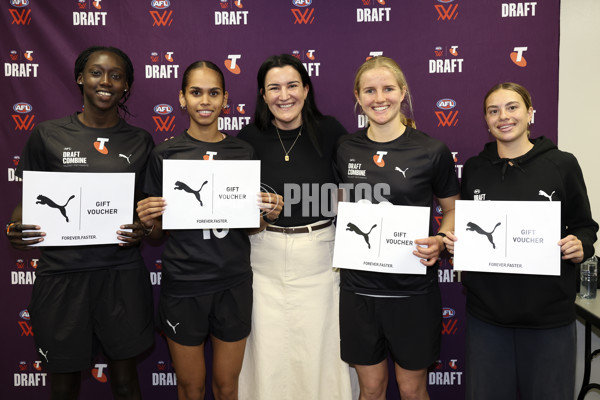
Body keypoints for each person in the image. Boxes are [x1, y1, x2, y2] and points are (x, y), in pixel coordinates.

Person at [6, 46, 155, 400]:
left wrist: (142, 227)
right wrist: (15, 229)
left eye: (116, 75)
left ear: (127, 87)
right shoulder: (46, 135)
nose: (105, 82)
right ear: (80, 78)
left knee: (124, 381)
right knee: (63, 385)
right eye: (96, 72)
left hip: (120, 275)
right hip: (62, 277)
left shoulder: (140, 141)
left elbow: (147, 213)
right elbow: (24, 207)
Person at [135, 61, 282, 400]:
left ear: (225, 100)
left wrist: (268, 213)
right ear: (182, 99)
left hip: (232, 282)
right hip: (184, 285)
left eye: (213, 93)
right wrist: (147, 222)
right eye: (196, 92)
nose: (205, 101)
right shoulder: (165, 154)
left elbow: (249, 224)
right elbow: (157, 235)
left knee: (227, 387)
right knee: (190, 387)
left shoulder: (242, 152)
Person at [442, 82, 598, 400]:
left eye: (512, 107)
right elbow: (468, 228)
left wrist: (580, 245)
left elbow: (585, 226)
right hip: (487, 318)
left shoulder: (562, 164)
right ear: (486, 121)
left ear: (530, 113)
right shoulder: (474, 169)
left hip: (549, 319)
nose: (504, 116)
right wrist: (456, 245)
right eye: (493, 110)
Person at [335, 56, 460, 400]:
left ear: (403, 92)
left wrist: (440, 239)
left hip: (413, 292)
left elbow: (451, 209)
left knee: (411, 388)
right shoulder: (345, 148)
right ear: (357, 97)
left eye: (388, 88)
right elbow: (336, 205)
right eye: (370, 90)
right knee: (371, 388)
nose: (380, 98)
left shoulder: (432, 150)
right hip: (359, 291)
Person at [236, 54, 354, 400]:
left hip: (321, 255)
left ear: (306, 89)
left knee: (322, 349)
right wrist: (256, 215)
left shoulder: (332, 131)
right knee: (267, 352)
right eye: (274, 87)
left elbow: (353, 194)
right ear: (262, 94)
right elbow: (232, 209)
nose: (283, 95)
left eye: (292, 86)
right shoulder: (247, 138)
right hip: (263, 256)